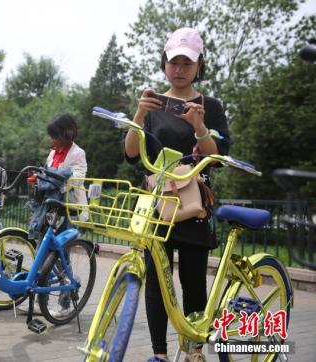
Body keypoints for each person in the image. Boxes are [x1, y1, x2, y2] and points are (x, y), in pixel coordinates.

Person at [123, 28, 230, 362]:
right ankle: (159, 354)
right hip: (159, 204)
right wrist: (139, 115)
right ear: (164, 64)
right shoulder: (152, 106)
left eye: (188, 62)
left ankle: (194, 350)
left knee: (193, 280)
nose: (180, 69)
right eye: (174, 62)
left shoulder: (210, 106)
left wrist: (200, 126)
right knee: (156, 282)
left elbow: (220, 156)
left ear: (199, 65)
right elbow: (129, 153)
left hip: (194, 205)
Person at [19, 113, 88, 315]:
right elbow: (48, 174)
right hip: (48, 208)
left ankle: (65, 304)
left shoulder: (77, 153)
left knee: (61, 256)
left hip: (66, 209)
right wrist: (39, 179)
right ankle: (39, 301)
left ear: (67, 133)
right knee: (41, 254)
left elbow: (75, 180)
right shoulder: (53, 153)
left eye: (56, 136)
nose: (53, 141)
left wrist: (49, 179)